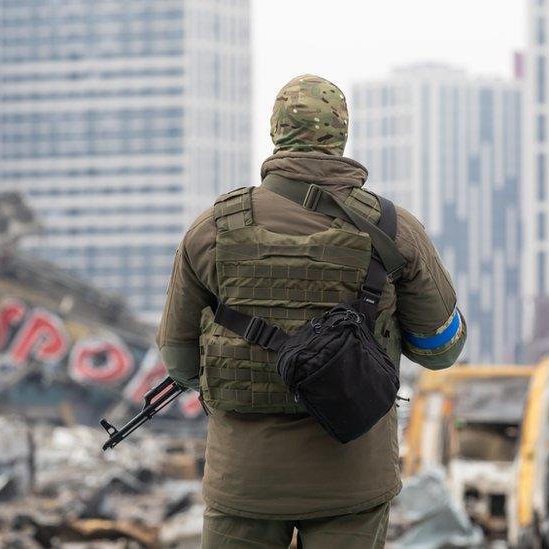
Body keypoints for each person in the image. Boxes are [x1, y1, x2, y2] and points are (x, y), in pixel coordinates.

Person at [156, 74, 465, 548]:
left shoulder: (213, 229)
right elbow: (440, 351)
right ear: (341, 135)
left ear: (276, 132)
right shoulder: (394, 230)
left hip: (244, 482)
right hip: (353, 478)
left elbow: (178, 361)